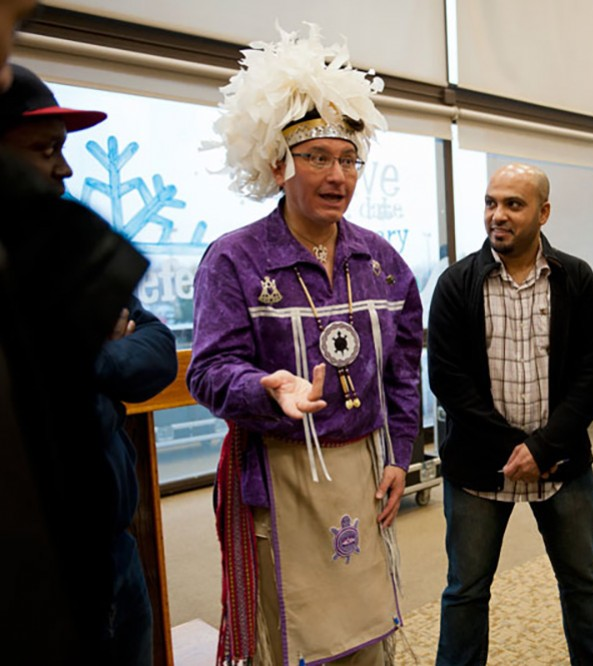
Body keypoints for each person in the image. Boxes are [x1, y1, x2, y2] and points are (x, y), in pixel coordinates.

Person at [186, 25, 423, 666]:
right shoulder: (234, 260)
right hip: (280, 474)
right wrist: (265, 388)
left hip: (365, 470)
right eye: (317, 157)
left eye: (348, 159)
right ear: (277, 166)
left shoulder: (381, 260)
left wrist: (402, 453)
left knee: (371, 636)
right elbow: (208, 370)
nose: (337, 174)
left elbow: (403, 368)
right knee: (290, 641)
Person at [0, 9, 154, 662]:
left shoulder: (64, 262)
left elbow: (153, 352)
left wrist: (87, 354)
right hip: (39, 568)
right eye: (44, 149)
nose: (64, 171)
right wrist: (91, 351)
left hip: (116, 546)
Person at [428, 163, 593, 666]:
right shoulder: (455, 284)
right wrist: (514, 450)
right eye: (492, 203)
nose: (499, 215)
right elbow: (449, 381)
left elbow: (591, 371)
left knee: (583, 582)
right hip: (478, 469)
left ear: (543, 212)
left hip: (561, 468)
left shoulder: (575, 279)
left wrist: (544, 447)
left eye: (514, 204)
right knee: (465, 591)